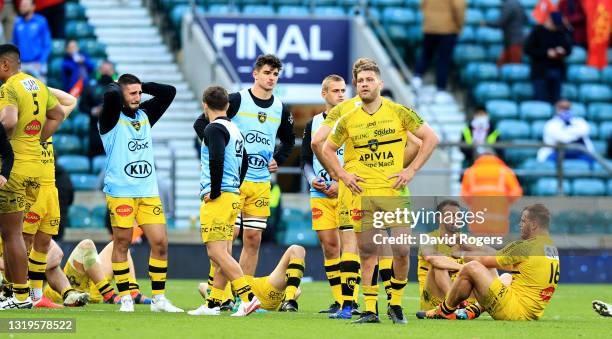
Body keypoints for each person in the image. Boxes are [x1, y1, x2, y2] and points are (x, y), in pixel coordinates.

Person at [323, 63, 439, 324]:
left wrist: (411, 171)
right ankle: (370, 309)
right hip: (363, 195)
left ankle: (395, 305)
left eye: (369, 79)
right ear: (357, 86)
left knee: (401, 250)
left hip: (394, 194)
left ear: (379, 84)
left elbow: (431, 138)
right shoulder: (349, 119)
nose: (364, 83)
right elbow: (328, 149)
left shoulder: (398, 112)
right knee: (367, 251)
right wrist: (343, 175)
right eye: (360, 80)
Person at [193, 54, 295, 295]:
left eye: (275, 75)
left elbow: (289, 141)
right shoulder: (236, 100)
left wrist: (277, 159)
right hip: (235, 182)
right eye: (267, 73)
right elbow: (202, 124)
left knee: (253, 240)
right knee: (227, 238)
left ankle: (242, 296)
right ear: (255, 74)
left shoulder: (281, 108)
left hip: (260, 182)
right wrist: (222, 151)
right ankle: (216, 293)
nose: (271, 78)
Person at [98, 73, 182, 312]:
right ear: (121, 95)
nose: (138, 97)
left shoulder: (145, 115)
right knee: (122, 243)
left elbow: (169, 92)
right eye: (132, 94)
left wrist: (141, 85)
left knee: (161, 243)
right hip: (121, 192)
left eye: (139, 93)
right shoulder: (110, 119)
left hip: (148, 192)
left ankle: (159, 299)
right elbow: (110, 94)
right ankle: (125, 296)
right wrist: (118, 85)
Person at [0, 43, 64, 309]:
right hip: (35, 168)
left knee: (11, 234)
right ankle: (16, 293)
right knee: (16, 233)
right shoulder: (37, 84)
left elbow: (9, 121)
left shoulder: (9, 88)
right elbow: (58, 113)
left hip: (13, 168)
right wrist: (38, 138)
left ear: (5, 65)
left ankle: (21, 296)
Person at [188, 85, 261, 317]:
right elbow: (246, 161)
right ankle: (214, 303)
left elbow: (216, 158)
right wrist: (234, 186)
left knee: (216, 252)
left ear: (205, 105)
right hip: (232, 197)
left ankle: (248, 298)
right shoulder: (235, 129)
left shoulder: (214, 128)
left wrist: (217, 190)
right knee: (224, 251)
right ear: (228, 105)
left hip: (219, 197)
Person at [419, 204, 560, 321]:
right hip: (531, 312)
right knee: (507, 277)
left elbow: (483, 260)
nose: (520, 225)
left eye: (523, 221)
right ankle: (471, 310)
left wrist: (463, 255)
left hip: (514, 310)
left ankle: (444, 310)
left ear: (534, 225)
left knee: (473, 267)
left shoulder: (525, 246)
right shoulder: (550, 247)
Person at [301, 74, 360, 314]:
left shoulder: (354, 120)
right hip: (321, 193)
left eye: (343, 90)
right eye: (335, 90)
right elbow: (305, 160)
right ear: (324, 94)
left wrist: (342, 181)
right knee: (329, 245)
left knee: (350, 245)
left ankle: (351, 300)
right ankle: (338, 299)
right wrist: (312, 179)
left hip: (347, 191)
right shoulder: (313, 123)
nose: (341, 94)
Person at [21, 87, 76, 308]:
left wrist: (39, 87)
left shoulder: (48, 124)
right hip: (29, 189)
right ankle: (17, 293)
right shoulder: (17, 124)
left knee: (42, 245)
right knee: (23, 242)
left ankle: (36, 297)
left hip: (49, 190)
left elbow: (70, 100)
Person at [194, 245, 305, 314]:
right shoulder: (221, 289)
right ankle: (289, 300)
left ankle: (288, 301)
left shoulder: (221, 286)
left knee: (297, 250)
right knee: (297, 250)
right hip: (264, 295)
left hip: (262, 291)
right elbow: (298, 290)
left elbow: (202, 287)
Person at [43, 239, 151, 305]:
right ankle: (108, 294)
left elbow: (57, 254)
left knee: (118, 246)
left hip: (93, 288)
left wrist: (35, 267)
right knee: (86, 244)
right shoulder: (29, 237)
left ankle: (132, 292)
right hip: (65, 291)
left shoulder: (35, 235)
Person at [412, 0, 465, 103]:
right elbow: (459, 7)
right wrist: (459, 26)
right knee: (443, 60)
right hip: (447, 28)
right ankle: (440, 91)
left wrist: (430, 18)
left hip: (430, 27)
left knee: (426, 54)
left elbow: (422, 4)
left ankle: (416, 79)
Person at [460, 149, 523, 236]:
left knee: (480, 248)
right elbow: (516, 192)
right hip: (499, 224)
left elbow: (464, 195)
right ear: (495, 157)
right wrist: (505, 202)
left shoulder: (471, 172)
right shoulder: (504, 171)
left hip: (478, 224)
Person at [418, 200, 466, 311]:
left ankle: (472, 307)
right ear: (440, 218)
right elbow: (433, 259)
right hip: (433, 299)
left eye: (459, 215)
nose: (457, 219)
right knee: (438, 265)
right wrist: (465, 268)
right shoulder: (428, 239)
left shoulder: (466, 240)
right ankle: (454, 305)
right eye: (451, 215)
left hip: (462, 295)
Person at [524, 11, 573, 104]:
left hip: (557, 70)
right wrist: (546, 53)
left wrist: (562, 51)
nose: (556, 27)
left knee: (556, 100)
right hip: (540, 71)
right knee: (541, 102)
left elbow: (569, 49)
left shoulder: (561, 32)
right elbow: (528, 50)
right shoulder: (537, 31)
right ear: (549, 20)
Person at [12, 0, 51, 81]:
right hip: (21, 65)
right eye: (21, 5)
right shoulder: (17, 22)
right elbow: (14, 44)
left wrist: (41, 62)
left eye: (25, 5)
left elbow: (47, 45)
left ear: (33, 7)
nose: (21, 7)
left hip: (36, 64)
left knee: (41, 92)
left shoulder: (41, 21)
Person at [484, 0, 527, 66]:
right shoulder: (518, 3)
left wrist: (486, 23)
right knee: (502, 65)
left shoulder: (508, 5)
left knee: (514, 67)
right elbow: (525, 19)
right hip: (515, 40)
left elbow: (500, 23)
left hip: (513, 41)